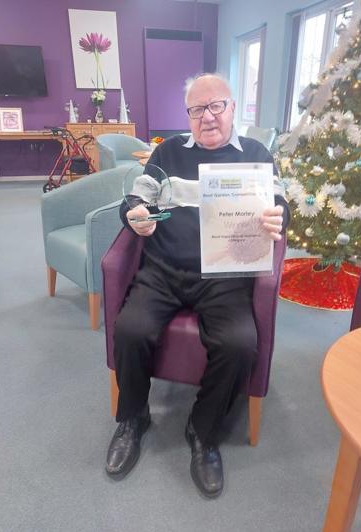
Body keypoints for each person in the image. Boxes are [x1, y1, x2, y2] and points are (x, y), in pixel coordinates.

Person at [106, 73, 289, 498]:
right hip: (164, 270)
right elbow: (136, 197)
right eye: (195, 109)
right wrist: (133, 214)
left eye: (215, 106)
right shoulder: (167, 152)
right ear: (187, 115)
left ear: (232, 108)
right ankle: (133, 418)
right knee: (130, 329)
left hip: (225, 275)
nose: (206, 117)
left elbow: (280, 203)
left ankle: (203, 432)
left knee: (240, 344)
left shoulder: (257, 155)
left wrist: (279, 216)